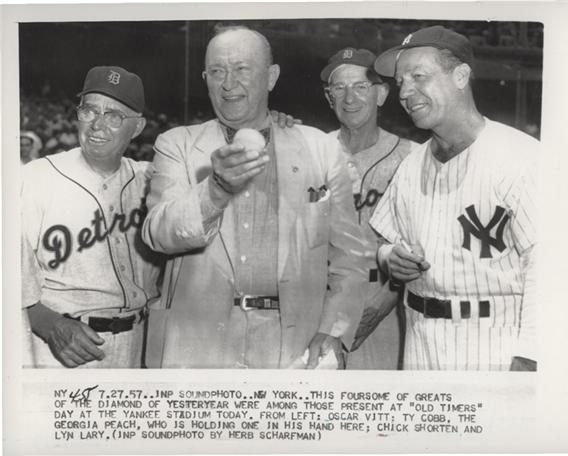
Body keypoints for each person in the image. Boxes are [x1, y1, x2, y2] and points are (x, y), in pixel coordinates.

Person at [142, 25, 368, 369]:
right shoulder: (178, 145)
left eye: (242, 69)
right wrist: (214, 189)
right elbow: (157, 233)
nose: (228, 83)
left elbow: (350, 259)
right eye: (217, 71)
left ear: (271, 77)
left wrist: (334, 330)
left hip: (293, 345)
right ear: (205, 78)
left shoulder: (321, 149)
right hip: (198, 344)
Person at [370, 26, 538, 371]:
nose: (406, 91)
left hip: (493, 345)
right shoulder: (411, 164)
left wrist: (531, 357)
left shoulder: (523, 158)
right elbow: (387, 244)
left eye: (419, 76)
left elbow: (550, 268)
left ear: (461, 75)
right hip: (419, 343)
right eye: (401, 82)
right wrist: (391, 259)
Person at [21, 66, 163, 368]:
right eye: (89, 111)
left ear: (137, 128)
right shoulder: (34, 178)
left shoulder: (152, 179)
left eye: (114, 116)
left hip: (141, 347)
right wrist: (49, 325)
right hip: (61, 350)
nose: (97, 125)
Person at [320, 47, 415, 369]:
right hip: (318, 300)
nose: (350, 98)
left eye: (361, 87)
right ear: (328, 96)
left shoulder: (411, 158)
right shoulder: (309, 151)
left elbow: (420, 249)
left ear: (382, 94)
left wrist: (379, 307)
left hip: (385, 300)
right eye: (339, 88)